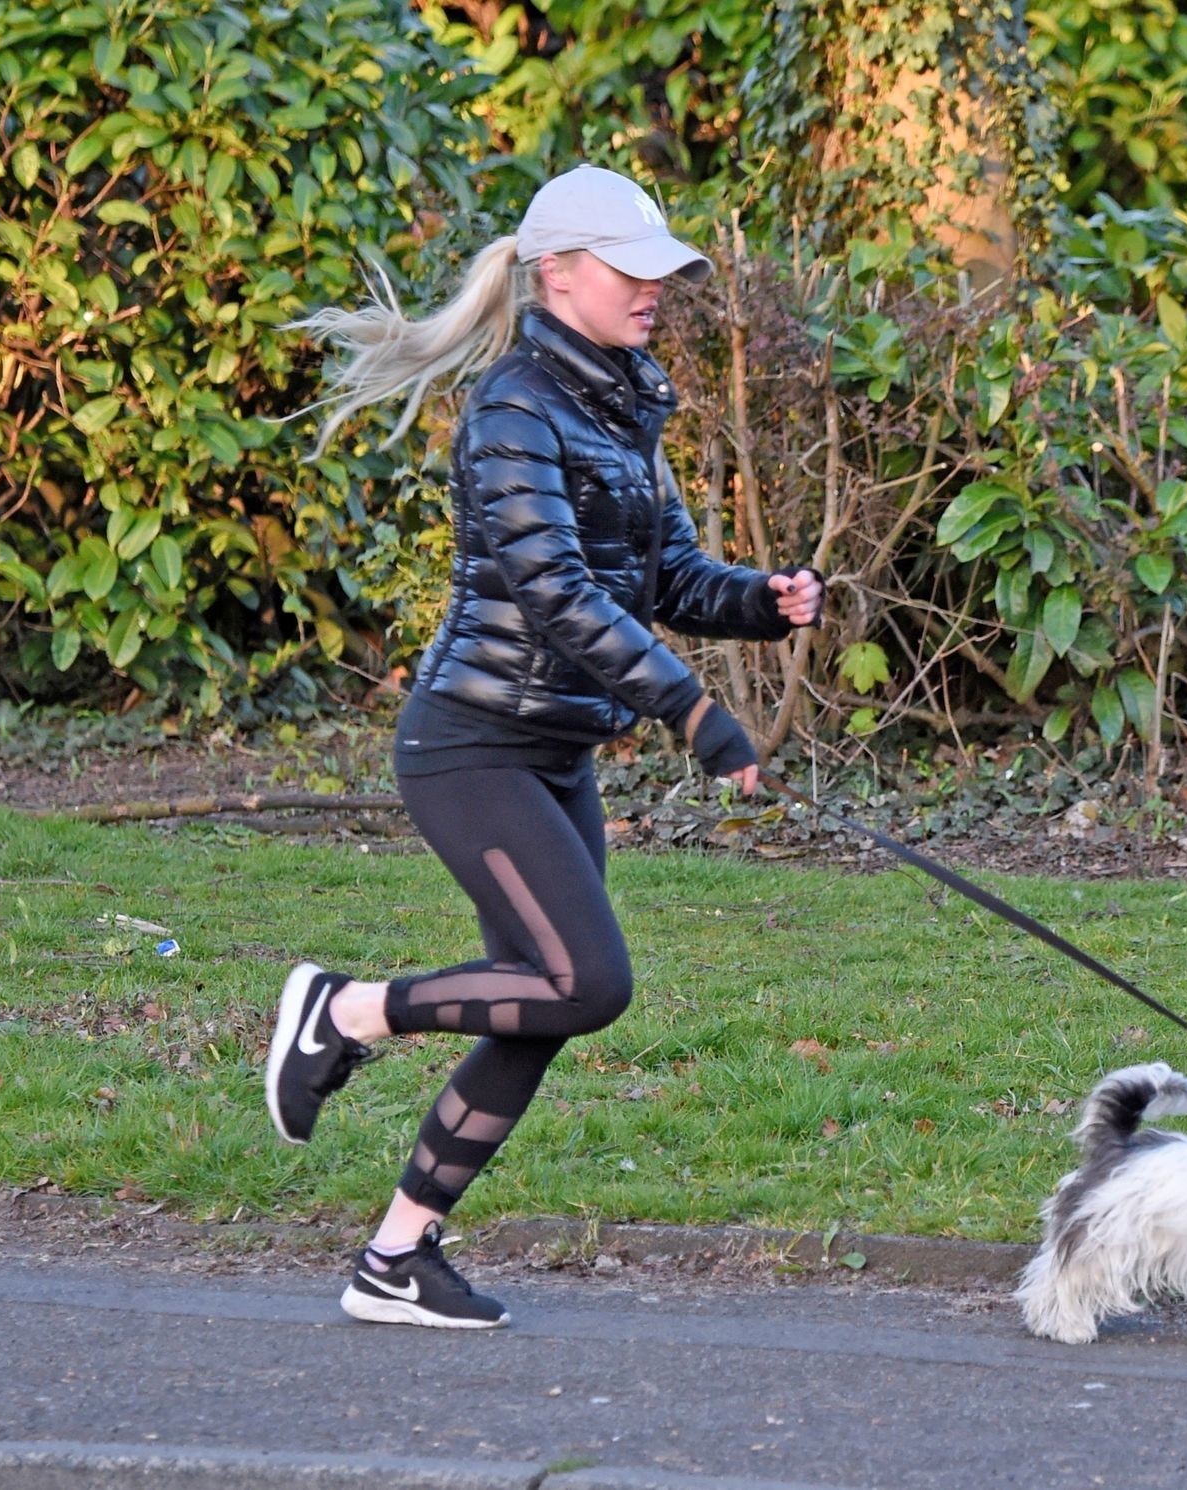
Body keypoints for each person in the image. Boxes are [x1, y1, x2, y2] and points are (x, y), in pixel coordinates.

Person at [266, 164, 824, 1328]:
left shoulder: (622, 400)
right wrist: (695, 713)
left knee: (543, 1003)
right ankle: (346, 1011)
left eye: (662, 273)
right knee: (588, 980)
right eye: (632, 271)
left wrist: (760, 600)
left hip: (553, 749)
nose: (655, 291)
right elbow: (560, 594)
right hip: (473, 747)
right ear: (559, 273)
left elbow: (666, 574)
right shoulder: (514, 407)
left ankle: (394, 1258)